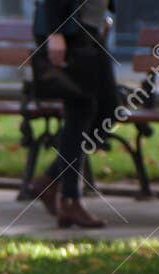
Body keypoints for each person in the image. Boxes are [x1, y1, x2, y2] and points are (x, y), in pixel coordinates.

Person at [30, 0, 117, 229]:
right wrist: (55, 31)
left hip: (89, 27)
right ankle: (70, 199)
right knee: (81, 110)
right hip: (68, 29)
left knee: (108, 109)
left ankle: (49, 180)